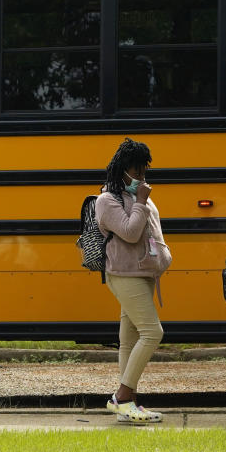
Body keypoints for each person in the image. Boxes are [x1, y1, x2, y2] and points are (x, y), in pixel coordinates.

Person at [96, 138, 172, 424]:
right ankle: (122, 397)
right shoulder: (107, 201)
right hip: (124, 274)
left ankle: (128, 407)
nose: (141, 178)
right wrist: (140, 201)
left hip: (143, 274)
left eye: (144, 172)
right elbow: (129, 232)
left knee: (127, 340)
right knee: (153, 333)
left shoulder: (142, 199)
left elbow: (150, 234)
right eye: (136, 172)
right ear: (122, 170)